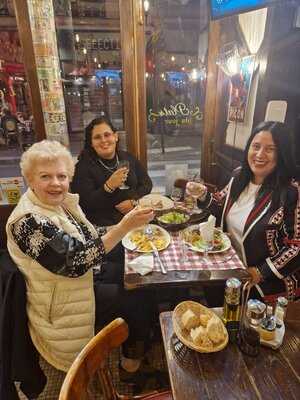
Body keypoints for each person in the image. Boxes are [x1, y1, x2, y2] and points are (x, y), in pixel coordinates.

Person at [6, 140, 155, 379]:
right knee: (135, 298)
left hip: (82, 281)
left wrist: (124, 227)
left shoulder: (59, 204)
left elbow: (90, 235)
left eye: (61, 176)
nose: (56, 183)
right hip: (64, 307)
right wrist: (124, 226)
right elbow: (75, 261)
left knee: (138, 279)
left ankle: (139, 342)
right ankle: (130, 361)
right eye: (45, 176)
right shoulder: (27, 221)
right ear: (29, 180)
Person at [188, 121, 300, 303]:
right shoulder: (239, 176)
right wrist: (202, 194)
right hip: (230, 268)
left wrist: (260, 272)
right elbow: (220, 204)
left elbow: (296, 247)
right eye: (256, 146)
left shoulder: (291, 192)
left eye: (270, 149)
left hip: (265, 286)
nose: (260, 154)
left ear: (281, 154)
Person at [71, 116, 153, 226]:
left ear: (115, 136)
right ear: (91, 143)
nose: (103, 140)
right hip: (106, 227)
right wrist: (108, 187)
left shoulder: (127, 157)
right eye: (97, 137)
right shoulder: (83, 167)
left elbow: (147, 184)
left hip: (135, 218)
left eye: (107, 135)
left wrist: (134, 202)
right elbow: (84, 204)